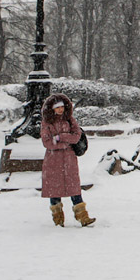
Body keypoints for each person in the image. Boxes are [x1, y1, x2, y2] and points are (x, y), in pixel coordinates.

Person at [40, 93, 95, 227]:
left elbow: (76, 137)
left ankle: (83, 217)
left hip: (69, 160)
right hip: (53, 161)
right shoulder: (46, 122)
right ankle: (58, 219)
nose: (60, 110)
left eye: (62, 107)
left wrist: (60, 137)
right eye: (57, 107)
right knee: (54, 190)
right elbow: (47, 142)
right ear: (52, 108)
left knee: (74, 189)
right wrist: (65, 141)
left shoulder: (70, 120)